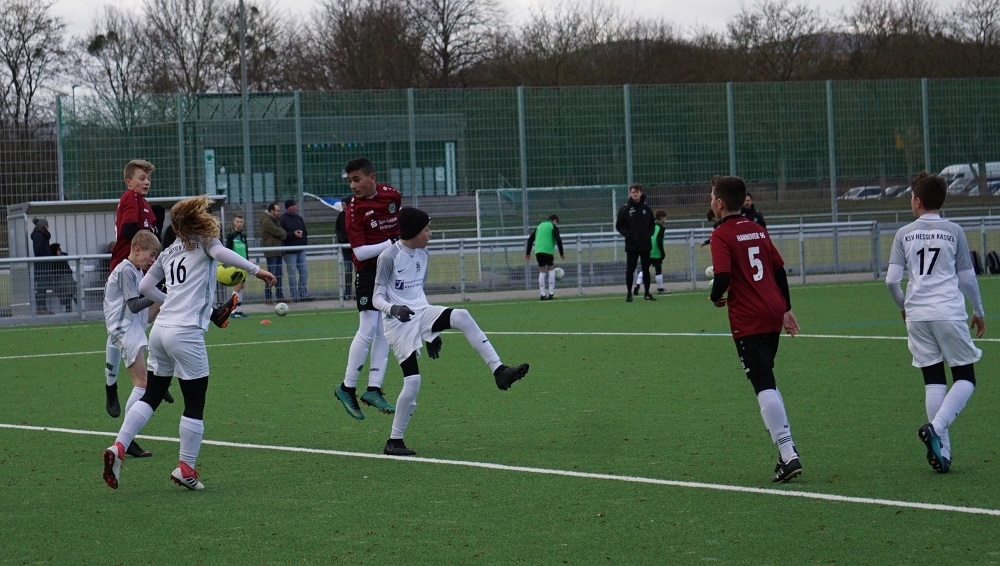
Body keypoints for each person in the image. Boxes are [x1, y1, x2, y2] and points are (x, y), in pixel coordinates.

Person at [102, 195, 277, 491]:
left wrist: (171, 300)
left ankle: (118, 446)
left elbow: (145, 286)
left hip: (160, 331)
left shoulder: (169, 250)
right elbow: (223, 254)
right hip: (185, 333)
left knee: (152, 395)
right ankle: (186, 468)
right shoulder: (206, 242)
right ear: (199, 219)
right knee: (194, 402)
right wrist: (255, 270)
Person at [373, 207, 530, 456]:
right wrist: (394, 309)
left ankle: (500, 371)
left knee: (461, 315)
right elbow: (376, 298)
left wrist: (431, 333)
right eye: (426, 229)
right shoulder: (388, 257)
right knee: (413, 382)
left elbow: (417, 293)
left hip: (420, 312)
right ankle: (394, 441)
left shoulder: (423, 254)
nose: (430, 233)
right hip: (398, 324)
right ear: (413, 231)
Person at [885, 171, 986, 474]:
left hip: (918, 315)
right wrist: (979, 310)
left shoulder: (903, 234)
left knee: (933, 380)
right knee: (965, 377)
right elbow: (967, 278)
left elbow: (891, 281)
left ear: (917, 201)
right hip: (948, 312)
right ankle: (936, 428)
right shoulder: (954, 231)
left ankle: (944, 451)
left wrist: (904, 307)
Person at [708, 175, 802, 483]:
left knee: (762, 383)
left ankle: (788, 453)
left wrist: (715, 296)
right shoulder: (757, 228)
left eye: (712, 197)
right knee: (768, 378)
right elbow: (779, 270)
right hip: (773, 309)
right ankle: (785, 451)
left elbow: (722, 277)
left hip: (749, 316)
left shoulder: (721, 234)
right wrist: (786, 308)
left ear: (719, 203)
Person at [334, 157, 400, 420]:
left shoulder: (392, 195)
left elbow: (399, 224)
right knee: (369, 327)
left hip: (390, 270)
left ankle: (373, 388)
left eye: (357, 179)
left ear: (372, 178)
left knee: (385, 330)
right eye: (350, 181)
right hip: (369, 272)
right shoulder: (353, 211)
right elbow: (360, 253)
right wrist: (392, 242)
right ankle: (347, 387)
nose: (353, 185)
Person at [103, 230, 162, 458]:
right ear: (137, 249)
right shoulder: (126, 269)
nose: (153, 260)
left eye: (155, 256)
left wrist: (164, 295)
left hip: (133, 324)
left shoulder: (136, 270)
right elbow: (135, 305)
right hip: (123, 327)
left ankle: (161, 377)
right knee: (142, 383)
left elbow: (144, 309)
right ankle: (125, 439)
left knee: (145, 382)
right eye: (151, 255)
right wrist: (159, 295)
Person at [615, 184, 656, 302]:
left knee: (646, 269)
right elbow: (619, 225)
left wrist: (648, 235)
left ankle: (647, 293)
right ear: (630, 193)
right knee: (630, 269)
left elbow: (652, 224)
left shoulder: (646, 208)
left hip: (645, 245)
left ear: (641, 193)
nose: (635, 194)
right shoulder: (625, 208)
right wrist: (629, 235)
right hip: (632, 245)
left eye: (637, 192)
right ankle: (629, 293)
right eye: (633, 192)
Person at [524, 214, 565, 300]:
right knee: (551, 269)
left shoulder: (539, 226)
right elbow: (558, 239)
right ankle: (551, 293)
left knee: (542, 271)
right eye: (556, 223)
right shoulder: (552, 226)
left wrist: (528, 253)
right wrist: (561, 253)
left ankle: (542, 294)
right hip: (548, 251)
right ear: (554, 220)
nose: (556, 224)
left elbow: (530, 240)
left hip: (538, 251)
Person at [279, 198, 311, 302]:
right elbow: (282, 234)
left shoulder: (299, 218)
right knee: (292, 274)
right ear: (287, 207)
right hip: (289, 251)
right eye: (292, 206)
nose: (294, 207)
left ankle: (303, 293)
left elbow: (305, 232)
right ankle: (294, 295)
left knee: (304, 272)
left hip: (300, 250)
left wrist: (303, 241)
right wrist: (293, 234)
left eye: (295, 205)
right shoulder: (283, 219)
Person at [634, 210, 669, 295]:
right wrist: (662, 253)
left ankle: (637, 285)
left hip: (647, 250)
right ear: (661, 218)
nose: (665, 220)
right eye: (665, 218)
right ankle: (660, 289)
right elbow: (659, 241)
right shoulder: (661, 228)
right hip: (656, 252)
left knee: (644, 269)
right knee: (658, 270)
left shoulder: (650, 225)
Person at [259, 201, 286, 305]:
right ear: (271, 211)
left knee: (278, 275)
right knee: (271, 274)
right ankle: (268, 297)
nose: (279, 212)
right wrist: (283, 233)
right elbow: (278, 231)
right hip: (271, 252)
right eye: (277, 210)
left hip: (277, 251)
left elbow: (279, 231)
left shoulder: (274, 220)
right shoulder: (267, 221)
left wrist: (282, 233)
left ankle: (279, 296)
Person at [224, 212, 249, 318]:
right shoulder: (231, 236)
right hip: (235, 265)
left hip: (244, 265)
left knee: (242, 287)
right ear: (233, 223)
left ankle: (238, 310)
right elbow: (228, 250)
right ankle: (232, 311)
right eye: (237, 222)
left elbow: (246, 251)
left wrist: (248, 263)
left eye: (241, 222)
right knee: (237, 286)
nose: (239, 224)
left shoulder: (243, 236)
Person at [31, 218, 53, 315]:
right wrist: (47, 256)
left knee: (42, 287)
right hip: (42, 265)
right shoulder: (39, 236)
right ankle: (41, 308)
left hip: (43, 265)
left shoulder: (39, 235)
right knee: (41, 288)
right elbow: (39, 250)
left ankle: (42, 308)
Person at [334, 196, 354, 300]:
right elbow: (337, 229)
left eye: (346, 205)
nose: (344, 207)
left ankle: (359, 292)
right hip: (345, 249)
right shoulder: (341, 215)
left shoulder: (354, 215)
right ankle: (347, 293)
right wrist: (341, 238)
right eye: (343, 205)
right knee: (348, 271)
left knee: (359, 272)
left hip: (355, 249)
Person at [48, 243, 77, 312]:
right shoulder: (54, 260)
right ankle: (73, 301)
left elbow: (66, 255)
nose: (60, 251)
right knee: (69, 292)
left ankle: (71, 306)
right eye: (58, 249)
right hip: (61, 281)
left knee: (70, 292)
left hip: (67, 280)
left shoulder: (62, 257)